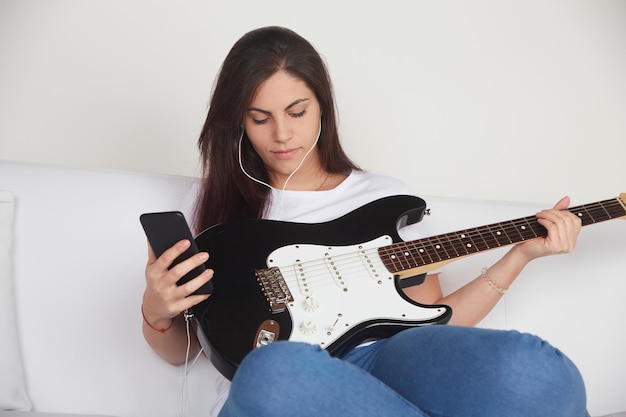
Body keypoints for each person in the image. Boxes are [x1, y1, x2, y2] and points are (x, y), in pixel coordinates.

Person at [141, 26, 588, 417]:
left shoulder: (384, 199)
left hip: (387, 364)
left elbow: (433, 322)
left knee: (538, 371)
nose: (282, 135)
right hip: (289, 386)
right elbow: (194, 347)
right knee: (274, 372)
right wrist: (156, 310)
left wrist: (521, 255)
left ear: (323, 108)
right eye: (261, 118)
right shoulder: (208, 208)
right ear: (238, 121)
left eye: (297, 112)